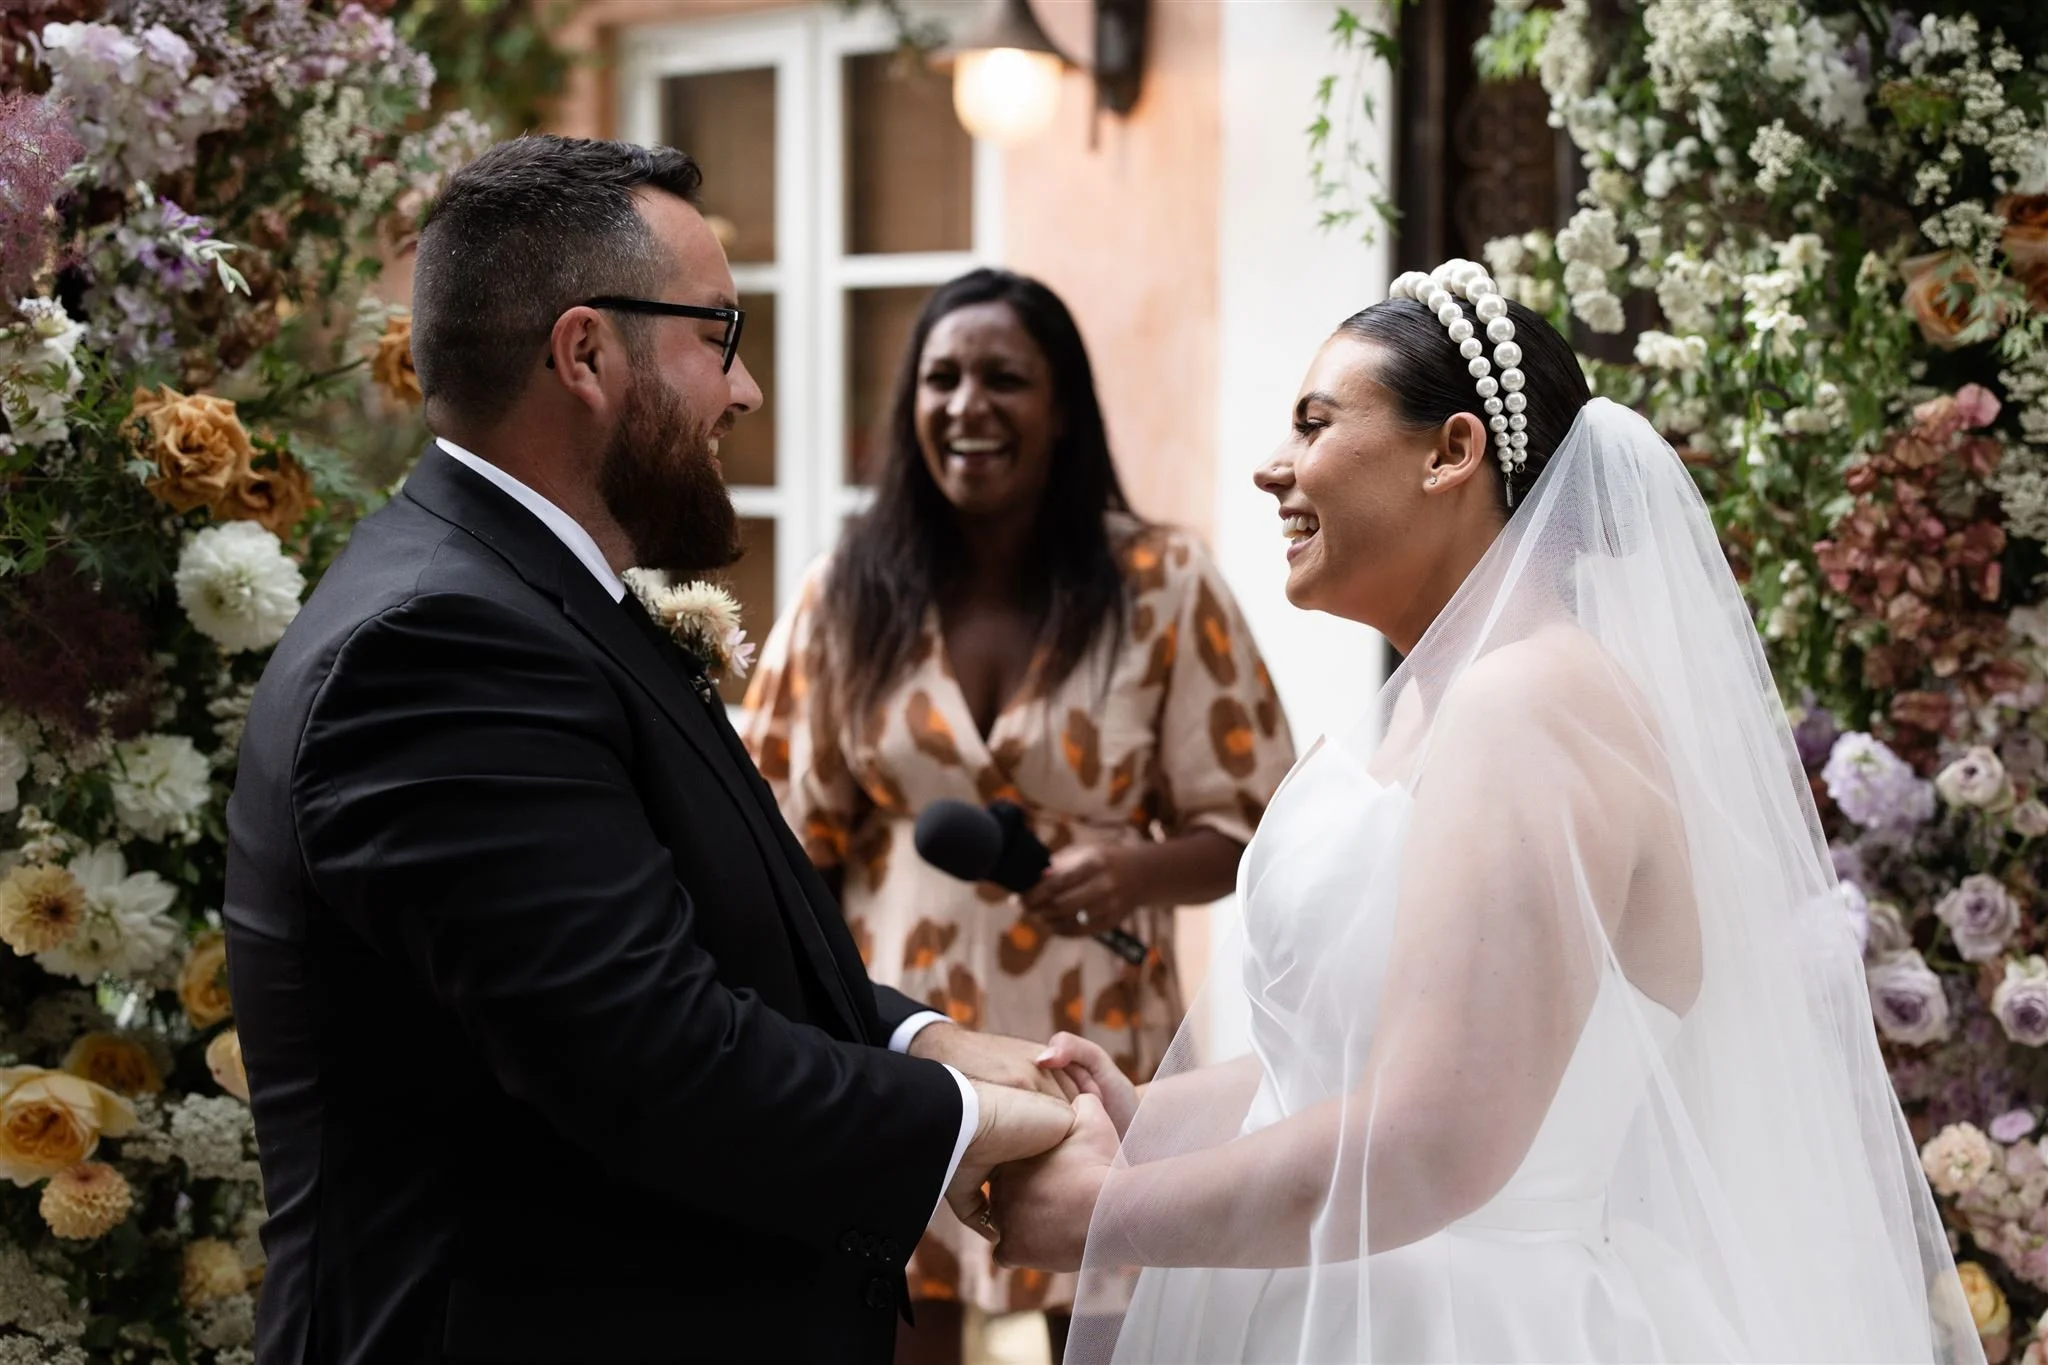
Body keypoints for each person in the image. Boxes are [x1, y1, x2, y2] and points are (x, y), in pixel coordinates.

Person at [987, 260, 1983, 1364]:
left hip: (1456, 1325)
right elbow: (1327, 1065)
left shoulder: (1532, 703)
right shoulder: (1432, 695)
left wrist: (1099, 1218)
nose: (1274, 468)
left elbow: (1432, 1142)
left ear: (1451, 452)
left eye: (1315, 424)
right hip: (1345, 1297)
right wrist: (1142, 1118)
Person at [221, 136, 1076, 1365]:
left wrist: (918, 1039)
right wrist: (973, 1120)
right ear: (584, 353)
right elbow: (651, 1060)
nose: (745, 391)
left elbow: (672, 944)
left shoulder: (533, 598)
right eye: (716, 335)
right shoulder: (438, 649)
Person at [743, 268, 1294, 1364]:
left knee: (1113, 1321)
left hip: (1090, 1044)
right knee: (897, 1323)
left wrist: (1133, 872)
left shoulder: (1160, 582)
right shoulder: (844, 587)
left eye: (1005, 378)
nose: (966, 406)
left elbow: (1256, 825)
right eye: (940, 377)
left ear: (1061, 408)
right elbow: (773, 835)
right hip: (904, 1035)